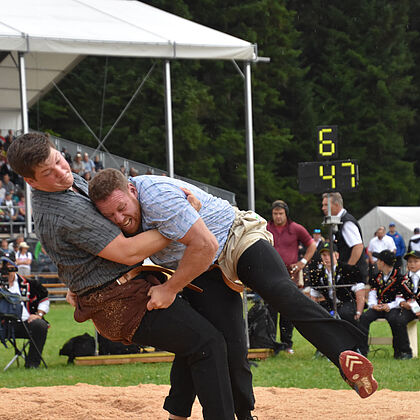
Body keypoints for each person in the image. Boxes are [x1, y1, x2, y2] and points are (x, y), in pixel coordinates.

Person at [89, 168, 379, 405]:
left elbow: (206, 244)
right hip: (200, 269)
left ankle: (344, 352)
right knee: (231, 346)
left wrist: (170, 288)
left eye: (121, 209)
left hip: (233, 236)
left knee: (280, 292)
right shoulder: (113, 213)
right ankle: (243, 414)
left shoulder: (158, 198)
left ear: (132, 189)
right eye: (110, 215)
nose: (119, 219)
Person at [7, 133, 242, 420]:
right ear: (31, 182)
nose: (61, 171)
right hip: (117, 304)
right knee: (208, 343)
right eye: (48, 172)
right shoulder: (61, 211)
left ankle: (177, 416)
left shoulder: (69, 184)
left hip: (126, 287)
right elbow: (129, 252)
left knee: (195, 339)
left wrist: (73, 278)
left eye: (58, 160)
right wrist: (183, 217)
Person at [266, 200, 317, 354]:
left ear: (286, 214)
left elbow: (312, 245)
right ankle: (271, 344)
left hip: (291, 275)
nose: (278, 216)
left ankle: (287, 343)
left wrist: (302, 262)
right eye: (275, 213)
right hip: (269, 273)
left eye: (281, 213)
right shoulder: (266, 228)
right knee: (270, 310)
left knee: (288, 310)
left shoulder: (295, 228)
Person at [2, 251, 50, 368]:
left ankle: (32, 363)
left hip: (24, 323)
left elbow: (44, 298)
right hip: (2, 325)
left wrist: (39, 314)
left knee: (40, 325)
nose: (6, 270)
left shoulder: (29, 284)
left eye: (8, 266)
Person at [359, 250, 407, 358]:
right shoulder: (376, 276)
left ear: (383, 262)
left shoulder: (400, 277)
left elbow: (402, 297)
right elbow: (372, 292)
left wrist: (389, 306)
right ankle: (362, 350)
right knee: (364, 318)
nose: (376, 263)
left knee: (395, 320)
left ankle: (399, 351)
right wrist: (373, 305)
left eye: (378, 260)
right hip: (378, 307)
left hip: (393, 308)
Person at [309, 242, 366, 326]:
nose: (327, 258)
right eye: (324, 255)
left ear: (337, 255)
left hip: (348, 302)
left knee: (345, 313)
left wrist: (359, 312)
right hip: (330, 304)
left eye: (329, 254)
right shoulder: (318, 274)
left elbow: (360, 292)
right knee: (321, 314)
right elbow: (314, 295)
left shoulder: (349, 270)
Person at [321, 193, 368, 281]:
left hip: (354, 275)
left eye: (326, 205)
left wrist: (348, 269)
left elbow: (358, 246)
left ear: (336, 205)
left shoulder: (347, 222)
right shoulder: (339, 221)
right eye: (323, 205)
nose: (323, 208)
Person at [397, 250, 420, 358]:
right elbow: (398, 295)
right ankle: (406, 351)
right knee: (399, 320)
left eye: (415, 261)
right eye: (410, 262)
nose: (412, 264)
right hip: (409, 309)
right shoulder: (403, 279)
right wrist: (402, 303)